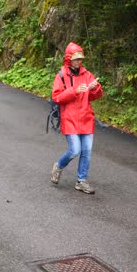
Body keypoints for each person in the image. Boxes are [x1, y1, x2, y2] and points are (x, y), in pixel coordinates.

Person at [49, 42, 103, 193]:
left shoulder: (87, 74)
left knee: (87, 151)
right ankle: (58, 166)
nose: (79, 61)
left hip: (86, 117)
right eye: (76, 58)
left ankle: (81, 181)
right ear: (68, 59)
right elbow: (57, 97)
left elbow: (96, 95)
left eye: (81, 59)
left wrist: (95, 87)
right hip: (70, 118)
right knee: (75, 150)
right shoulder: (61, 75)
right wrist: (74, 91)